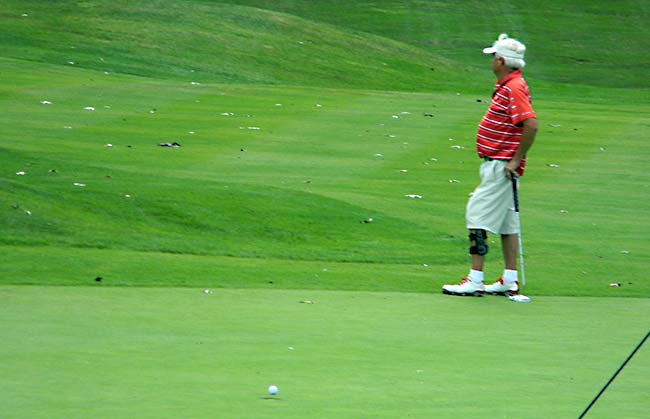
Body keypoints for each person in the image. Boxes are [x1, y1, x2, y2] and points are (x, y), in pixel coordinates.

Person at [442, 34, 538, 297]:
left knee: (476, 215)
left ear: (503, 61)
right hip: (499, 163)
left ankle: (475, 278)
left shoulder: (514, 88)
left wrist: (516, 159)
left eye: (495, 57)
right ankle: (509, 279)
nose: (492, 61)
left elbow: (530, 124)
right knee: (508, 225)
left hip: (501, 164)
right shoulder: (509, 84)